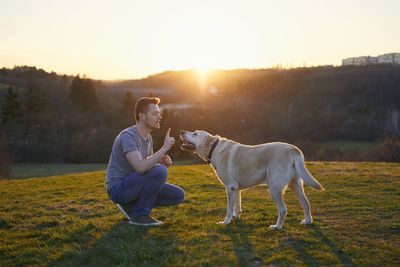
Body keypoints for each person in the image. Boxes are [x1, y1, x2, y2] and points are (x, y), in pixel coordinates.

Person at [106, 97, 185, 226]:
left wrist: (162, 163)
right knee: (160, 171)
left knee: (178, 195)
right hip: (118, 189)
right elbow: (140, 167)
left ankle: (131, 206)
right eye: (155, 113)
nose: (159, 117)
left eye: (159, 113)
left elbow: (147, 167)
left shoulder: (148, 138)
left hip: (134, 184)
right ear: (142, 116)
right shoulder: (128, 136)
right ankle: (140, 215)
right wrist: (164, 149)